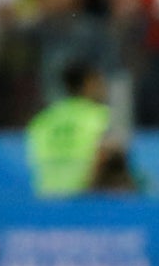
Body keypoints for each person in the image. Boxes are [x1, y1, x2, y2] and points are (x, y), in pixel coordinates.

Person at [24, 63, 122, 198]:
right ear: (88, 85)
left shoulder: (43, 119)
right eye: (99, 83)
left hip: (46, 196)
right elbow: (107, 156)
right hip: (83, 198)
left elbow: (32, 159)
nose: (104, 88)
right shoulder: (100, 116)